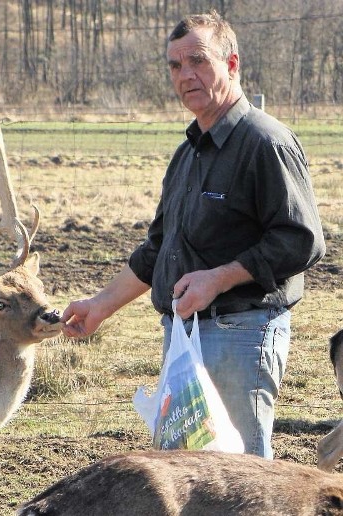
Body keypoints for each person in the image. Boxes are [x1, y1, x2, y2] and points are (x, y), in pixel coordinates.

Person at [61, 10, 326, 459]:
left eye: (199, 60)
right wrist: (98, 307)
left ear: (232, 64)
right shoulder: (187, 153)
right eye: (175, 65)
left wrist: (217, 278)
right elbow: (157, 250)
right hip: (185, 339)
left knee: (241, 481)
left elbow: (301, 239)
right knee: (185, 476)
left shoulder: (265, 142)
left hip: (241, 333)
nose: (187, 75)